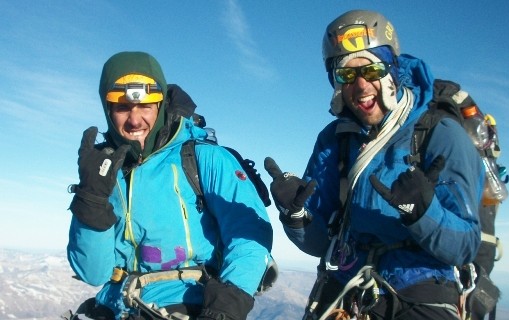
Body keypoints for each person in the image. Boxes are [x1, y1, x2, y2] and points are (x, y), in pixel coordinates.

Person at [265, 9, 484, 320]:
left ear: (392, 69)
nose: (362, 85)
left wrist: (424, 213)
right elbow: (320, 244)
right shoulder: (335, 140)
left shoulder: (439, 134)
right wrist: (296, 216)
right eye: (347, 75)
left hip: (419, 290)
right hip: (344, 285)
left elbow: (465, 246)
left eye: (371, 69)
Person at [66, 51, 274, 320]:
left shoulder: (204, 158)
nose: (135, 119)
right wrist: (91, 198)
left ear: (161, 105)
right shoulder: (103, 172)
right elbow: (93, 273)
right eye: (122, 107)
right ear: (108, 110)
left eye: (146, 106)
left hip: (189, 304)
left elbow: (250, 234)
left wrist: (226, 307)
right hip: (115, 305)